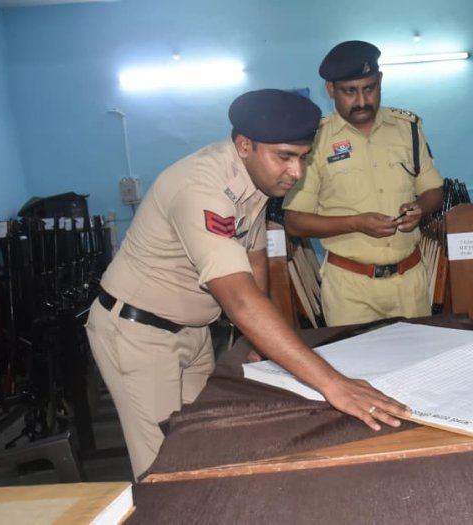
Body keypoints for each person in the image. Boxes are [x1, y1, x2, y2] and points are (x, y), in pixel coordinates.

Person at [86, 89, 409, 479]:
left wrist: (258, 340)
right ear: (244, 145)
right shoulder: (202, 189)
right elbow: (239, 299)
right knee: (163, 466)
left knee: (202, 443)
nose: (297, 172)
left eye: (303, 157)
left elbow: (254, 257)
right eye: (285, 157)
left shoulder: (255, 180)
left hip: (193, 330)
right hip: (138, 333)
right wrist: (334, 385)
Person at [282, 40, 444, 326]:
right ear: (330, 89)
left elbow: (433, 190)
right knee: (354, 357)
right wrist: (356, 223)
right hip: (350, 289)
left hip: (410, 283)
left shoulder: (407, 130)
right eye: (349, 91)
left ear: (380, 80)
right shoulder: (315, 142)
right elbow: (294, 222)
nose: (361, 101)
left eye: (369, 88)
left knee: (419, 355)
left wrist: (419, 208)